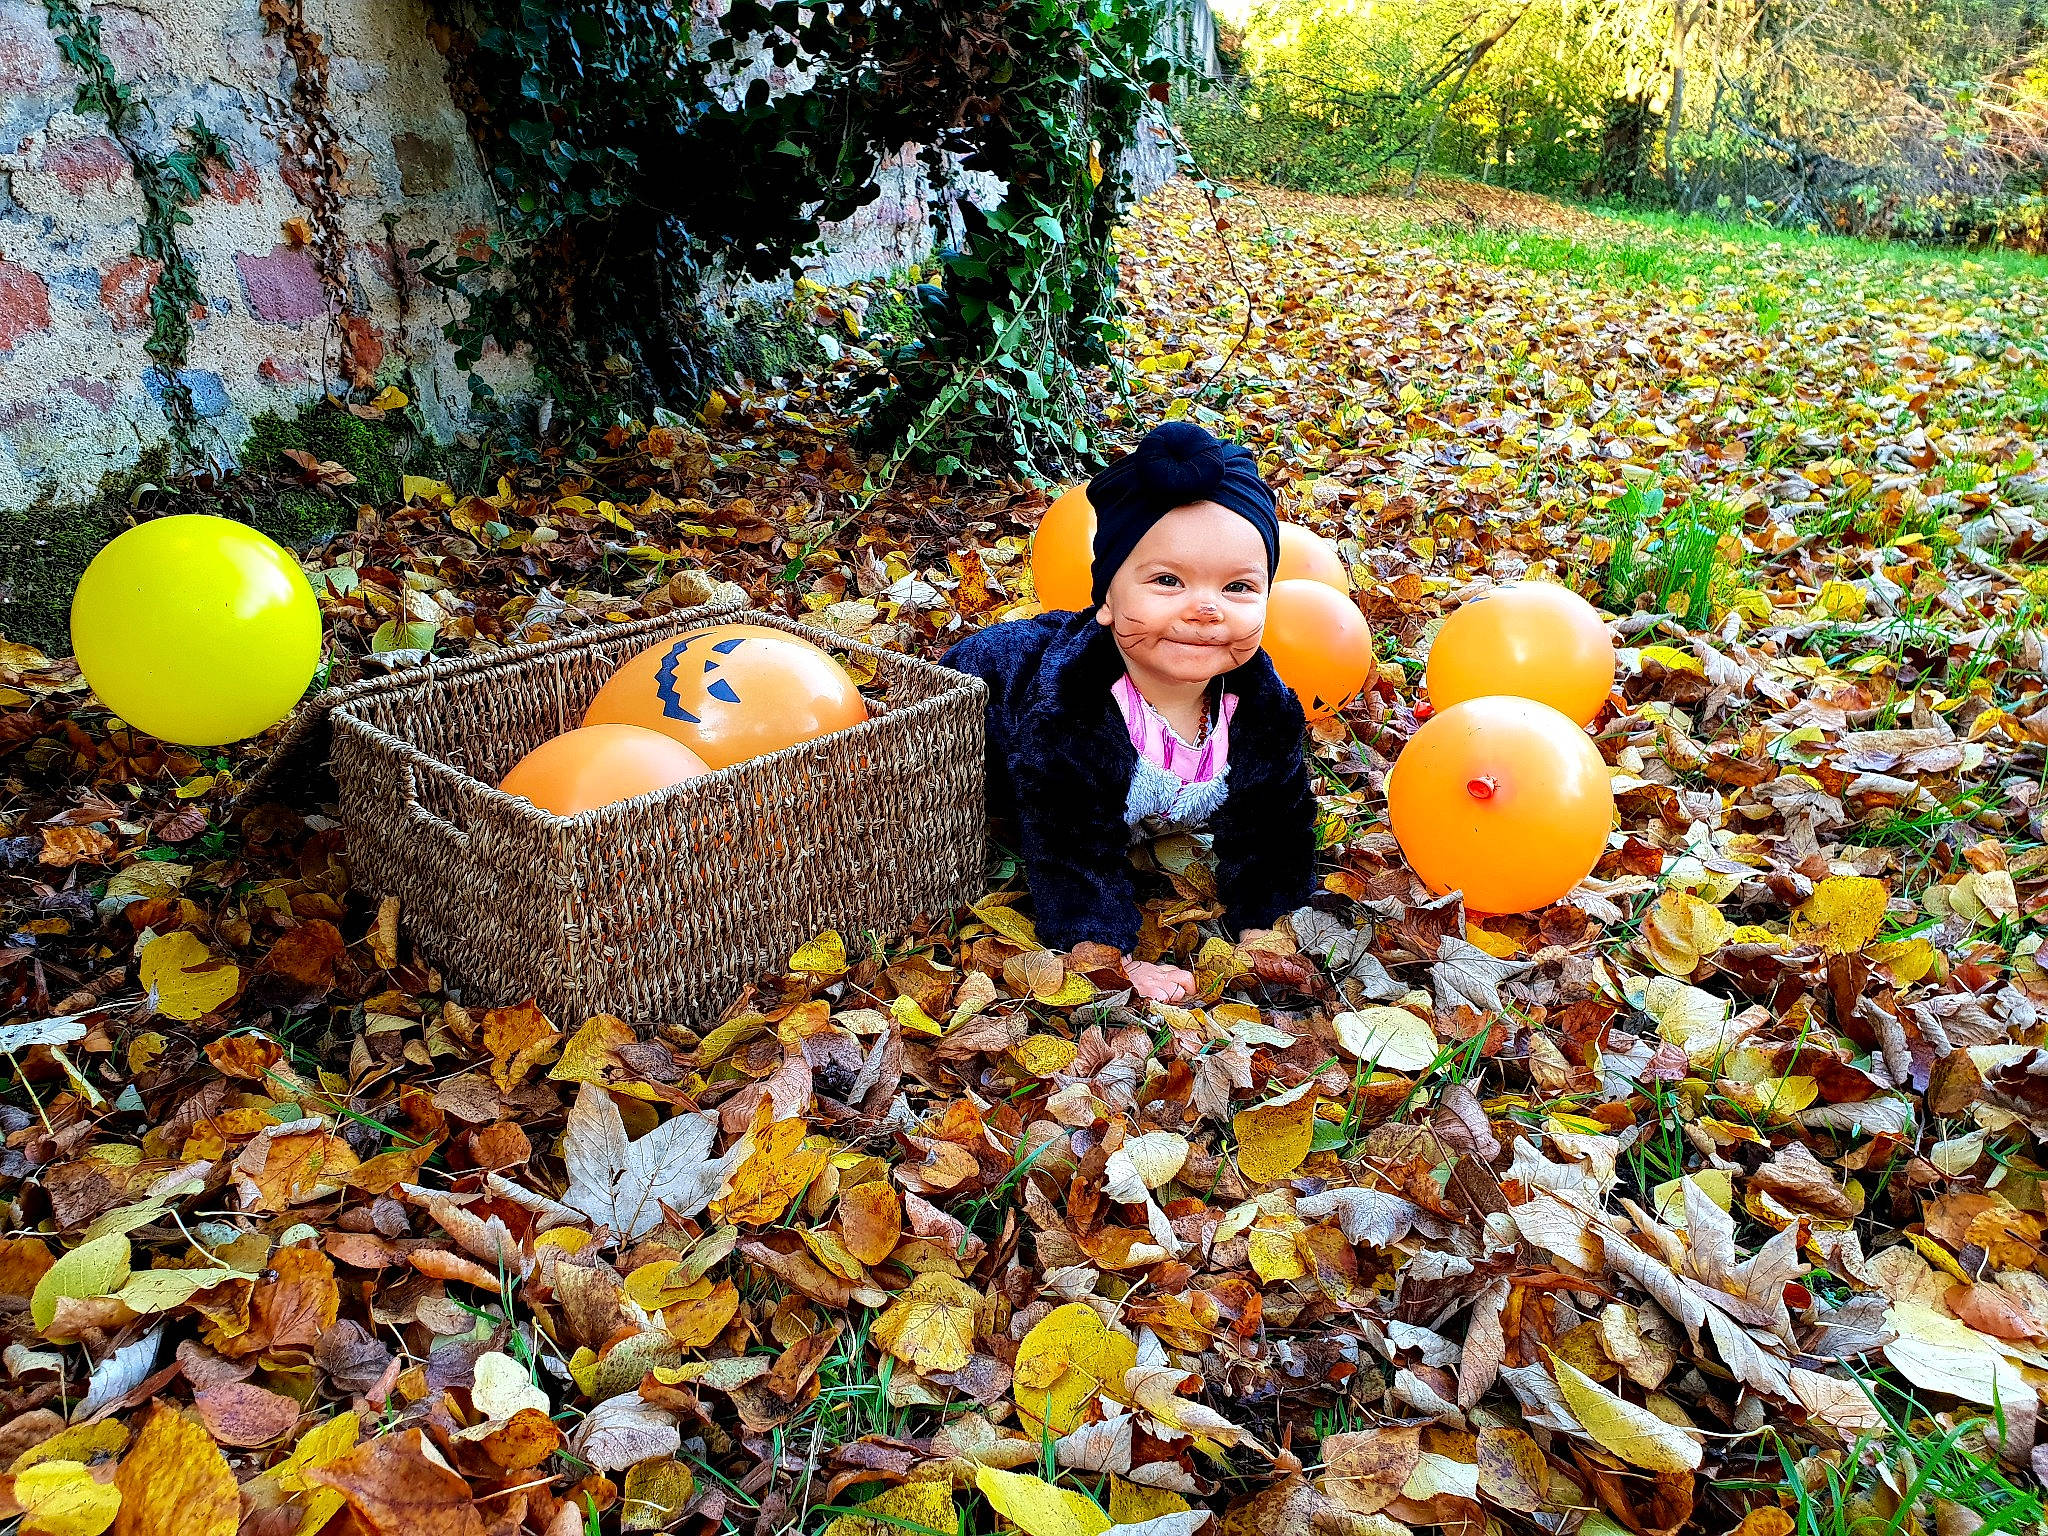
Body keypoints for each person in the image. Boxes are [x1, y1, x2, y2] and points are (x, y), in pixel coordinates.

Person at [945, 421, 1317, 1003]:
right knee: (1006, 799)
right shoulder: (1068, 710)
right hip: (994, 732)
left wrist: (1266, 919)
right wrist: (1106, 956)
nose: (1205, 608)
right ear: (1108, 604)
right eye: (1167, 580)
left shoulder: (1263, 710)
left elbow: (1275, 823)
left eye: (1240, 587)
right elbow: (1070, 848)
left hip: (1140, 787)